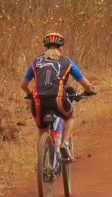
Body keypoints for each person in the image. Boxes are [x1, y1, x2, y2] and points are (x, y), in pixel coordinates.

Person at [20, 32, 97, 161]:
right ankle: (65, 144)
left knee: (42, 131)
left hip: (38, 101)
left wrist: (29, 94)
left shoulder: (36, 62)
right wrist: (88, 91)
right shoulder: (67, 62)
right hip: (58, 99)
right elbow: (85, 84)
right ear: (61, 48)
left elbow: (23, 85)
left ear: (45, 48)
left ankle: (42, 163)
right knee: (70, 117)